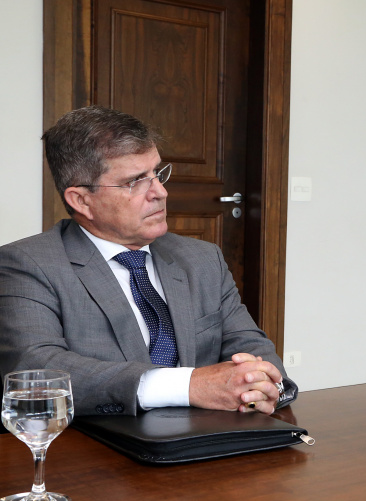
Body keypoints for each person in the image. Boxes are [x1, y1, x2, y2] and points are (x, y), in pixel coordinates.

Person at [0, 106, 296, 416]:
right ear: (82, 200)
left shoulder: (202, 258)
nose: (160, 192)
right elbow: (37, 370)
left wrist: (263, 387)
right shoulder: (27, 265)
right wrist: (188, 385)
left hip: (208, 435)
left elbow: (251, 346)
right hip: (98, 441)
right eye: (135, 181)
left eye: (157, 173)